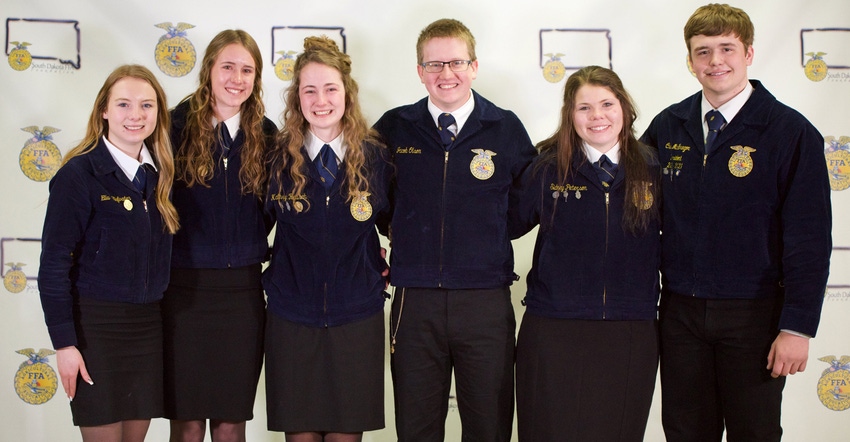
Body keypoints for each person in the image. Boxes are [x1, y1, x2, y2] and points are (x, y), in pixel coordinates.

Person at [640, 4, 832, 441]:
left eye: (726, 48)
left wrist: (797, 326)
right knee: (686, 431)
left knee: (755, 431)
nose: (715, 62)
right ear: (689, 62)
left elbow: (810, 238)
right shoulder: (668, 126)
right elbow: (630, 198)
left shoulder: (789, 132)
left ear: (748, 53)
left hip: (755, 316)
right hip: (680, 313)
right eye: (702, 52)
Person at [373, 18, 536, 441]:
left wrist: (486, 236)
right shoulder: (394, 128)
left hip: (484, 300)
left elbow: (524, 205)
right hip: (415, 301)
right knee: (417, 426)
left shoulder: (505, 127)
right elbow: (373, 198)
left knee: (488, 424)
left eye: (457, 62)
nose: (446, 74)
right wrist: (407, 235)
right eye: (434, 64)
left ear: (475, 66)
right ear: (419, 71)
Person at [512, 65, 661, 441]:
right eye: (584, 108)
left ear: (624, 108)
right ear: (569, 115)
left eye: (607, 104)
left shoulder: (654, 167)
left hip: (630, 328)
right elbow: (503, 226)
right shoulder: (546, 168)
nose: (598, 116)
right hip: (554, 325)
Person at [38, 64, 180, 442]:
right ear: (104, 110)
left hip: (147, 329)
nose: (135, 115)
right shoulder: (78, 175)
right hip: (95, 331)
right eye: (124, 105)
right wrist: (65, 344)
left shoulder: (160, 176)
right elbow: (53, 265)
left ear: (158, 113)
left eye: (146, 106)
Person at [263, 35, 391, 442]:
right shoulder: (276, 156)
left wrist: (381, 265)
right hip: (291, 317)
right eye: (309, 90)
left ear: (347, 94)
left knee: (344, 437)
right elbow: (250, 225)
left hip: (357, 316)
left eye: (330, 88)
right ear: (296, 96)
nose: (321, 100)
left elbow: (399, 223)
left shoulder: (376, 156)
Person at [162, 29, 277, 442]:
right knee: (188, 423)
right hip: (183, 292)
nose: (237, 78)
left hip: (242, 294)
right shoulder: (172, 126)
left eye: (247, 69)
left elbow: (271, 208)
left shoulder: (265, 134)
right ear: (208, 69)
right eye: (227, 66)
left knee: (231, 423)